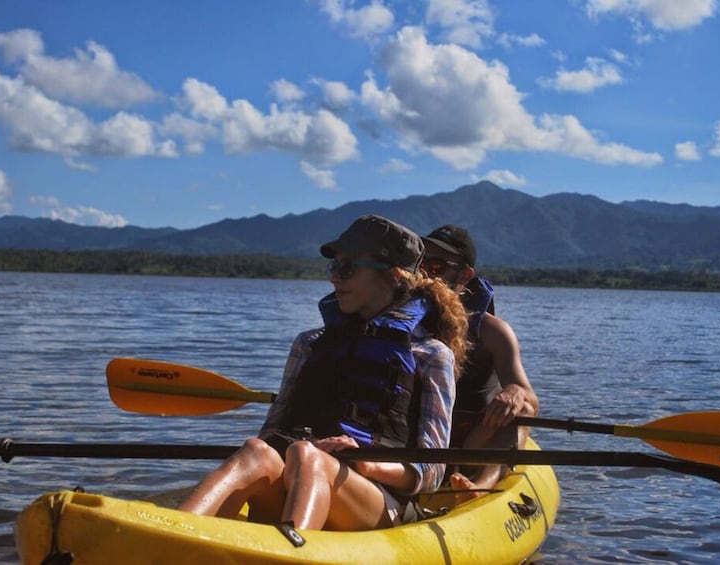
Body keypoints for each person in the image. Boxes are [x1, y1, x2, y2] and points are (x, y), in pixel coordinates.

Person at [178, 215, 468, 531]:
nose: (335, 279)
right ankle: (176, 534)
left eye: (348, 267)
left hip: (378, 501)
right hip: (302, 478)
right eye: (334, 267)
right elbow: (271, 432)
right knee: (257, 451)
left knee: (307, 456)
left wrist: (368, 463)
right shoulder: (309, 344)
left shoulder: (430, 354)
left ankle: (291, 552)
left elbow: (432, 470)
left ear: (394, 275)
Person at [420, 224, 539, 497]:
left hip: (474, 439)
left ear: (465, 275)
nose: (426, 274)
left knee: (522, 410)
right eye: (421, 263)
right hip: (422, 438)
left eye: (437, 266)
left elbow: (532, 401)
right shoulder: (401, 322)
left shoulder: (493, 331)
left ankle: (482, 485)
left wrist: (515, 392)